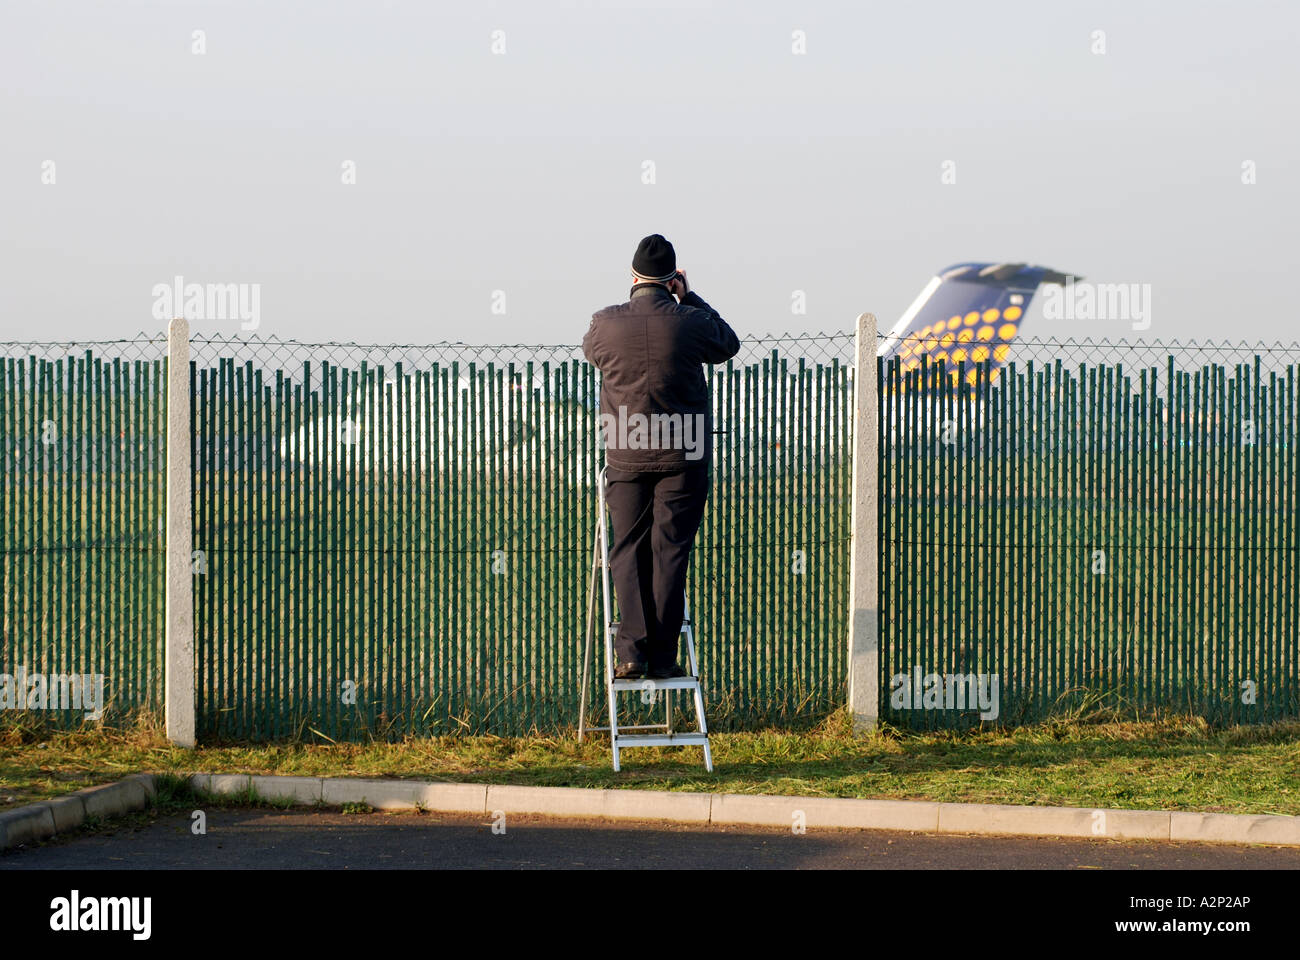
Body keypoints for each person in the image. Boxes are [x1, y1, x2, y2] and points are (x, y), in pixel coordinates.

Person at [582, 234, 740, 679]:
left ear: (632, 277)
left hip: (626, 453)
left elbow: (593, 354)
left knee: (626, 549)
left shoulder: (604, 323)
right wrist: (691, 297)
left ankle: (631, 651)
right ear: (672, 279)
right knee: (670, 551)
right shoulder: (690, 320)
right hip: (682, 456)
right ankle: (666, 657)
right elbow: (728, 345)